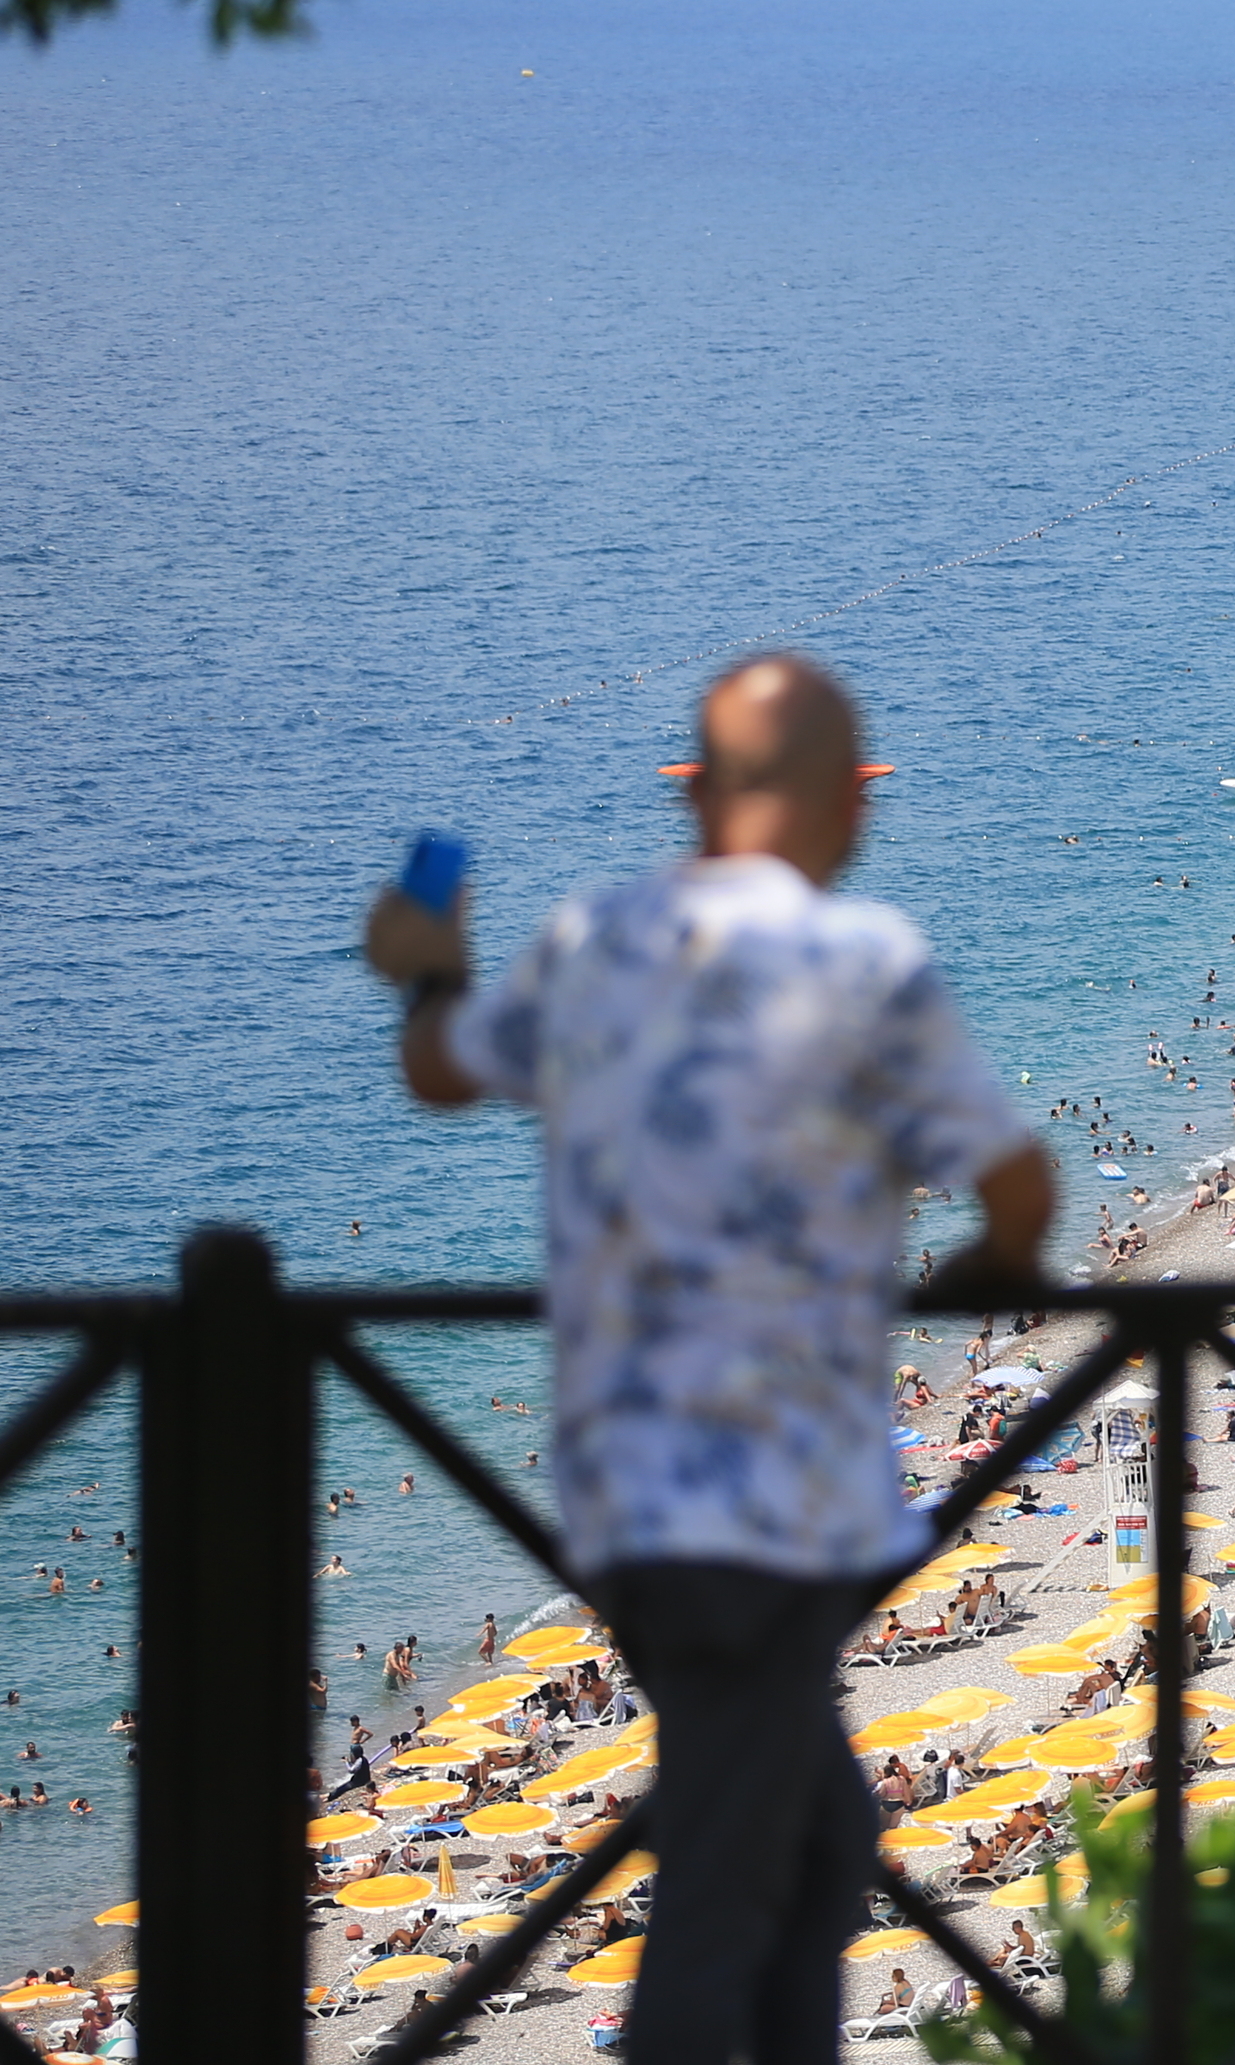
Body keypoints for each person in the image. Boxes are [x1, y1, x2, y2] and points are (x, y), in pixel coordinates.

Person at [368, 654, 1050, 2065]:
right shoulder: (864, 961)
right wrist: (979, 1273)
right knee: (726, 1896)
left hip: (624, 1492)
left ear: (692, 789)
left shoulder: (584, 943)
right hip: (787, 1503)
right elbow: (1018, 1187)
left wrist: (423, 966)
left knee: (820, 1840)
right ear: (853, 799)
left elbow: (437, 1066)